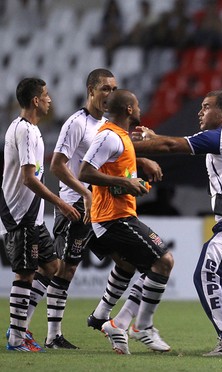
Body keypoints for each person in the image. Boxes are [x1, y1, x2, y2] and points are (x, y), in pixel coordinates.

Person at [131, 90, 222, 357]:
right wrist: (155, 137)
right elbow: (173, 141)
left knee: (206, 273)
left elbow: (170, 147)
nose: (200, 112)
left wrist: (122, 145)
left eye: (206, 107)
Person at [48, 68, 163, 349]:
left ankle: (101, 317)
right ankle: (51, 335)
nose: (109, 94)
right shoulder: (77, 123)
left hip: (102, 207)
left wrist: (140, 159)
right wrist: (82, 193)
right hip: (77, 203)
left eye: (113, 89)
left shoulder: (107, 127)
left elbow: (115, 156)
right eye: (105, 89)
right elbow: (57, 166)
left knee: (125, 262)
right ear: (91, 91)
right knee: (63, 269)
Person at [78, 89, 173, 355]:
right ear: (129, 109)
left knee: (141, 268)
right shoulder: (108, 135)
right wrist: (125, 182)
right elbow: (85, 172)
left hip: (117, 215)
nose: (141, 107)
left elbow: (116, 165)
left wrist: (136, 174)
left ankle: (115, 323)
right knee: (164, 262)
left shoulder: (119, 136)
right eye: (138, 104)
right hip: (112, 219)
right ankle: (141, 327)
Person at [2, 78, 81, 352]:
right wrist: (59, 202)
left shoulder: (30, 129)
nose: (50, 99)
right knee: (25, 274)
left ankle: (19, 326)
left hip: (32, 216)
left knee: (52, 268)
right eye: (46, 95)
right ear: (36, 100)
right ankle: (15, 338)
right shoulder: (24, 130)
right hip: (21, 213)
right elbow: (27, 178)